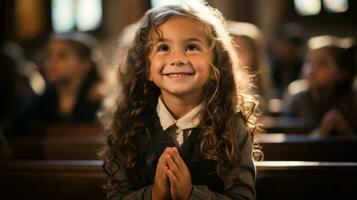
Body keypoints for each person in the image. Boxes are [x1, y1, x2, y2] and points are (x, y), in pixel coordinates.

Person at [101, 3, 261, 200]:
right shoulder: (127, 124)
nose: (177, 58)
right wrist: (153, 195)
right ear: (146, 66)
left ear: (215, 65)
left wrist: (190, 194)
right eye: (164, 48)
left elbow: (243, 196)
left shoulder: (231, 125)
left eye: (191, 47)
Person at [16, 32, 104, 133]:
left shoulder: (97, 100)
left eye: (62, 56)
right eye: (49, 55)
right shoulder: (44, 98)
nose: (51, 63)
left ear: (85, 64)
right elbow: (16, 126)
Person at [285, 36, 357, 136]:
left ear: (342, 72)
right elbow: (288, 141)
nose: (311, 71)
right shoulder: (298, 99)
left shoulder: (353, 101)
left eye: (322, 64)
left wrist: (345, 131)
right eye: (309, 62)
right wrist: (321, 133)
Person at [227, 21, 274, 113]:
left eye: (240, 49)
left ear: (254, 54)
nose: (235, 55)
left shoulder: (260, 82)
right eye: (231, 48)